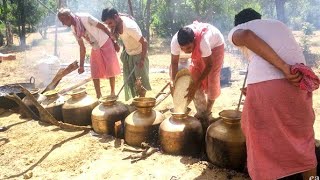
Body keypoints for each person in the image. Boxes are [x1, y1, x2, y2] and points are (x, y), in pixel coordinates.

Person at [228, 8, 318, 180]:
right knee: (301, 136)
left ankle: (268, 174)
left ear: (238, 23)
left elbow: (246, 35)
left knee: (257, 136)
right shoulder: (277, 24)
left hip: (275, 80)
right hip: (299, 81)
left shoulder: (240, 28)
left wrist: (283, 68)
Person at [58, 8, 121, 99]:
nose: (63, 24)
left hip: (105, 42)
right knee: (94, 71)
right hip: (95, 47)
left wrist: (114, 42)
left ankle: (112, 93)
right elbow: (82, 47)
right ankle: (99, 96)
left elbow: (103, 27)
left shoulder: (86, 18)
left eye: (63, 20)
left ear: (69, 17)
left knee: (110, 68)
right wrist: (82, 66)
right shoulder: (74, 29)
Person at [170, 21, 225, 126]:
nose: (186, 51)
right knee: (194, 75)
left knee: (212, 78)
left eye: (189, 48)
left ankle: (208, 112)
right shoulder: (175, 42)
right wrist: (174, 81)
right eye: (183, 49)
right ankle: (201, 112)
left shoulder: (203, 42)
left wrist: (197, 83)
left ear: (194, 41)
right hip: (202, 47)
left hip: (216, 45)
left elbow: (209, 65)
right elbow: (174, 62)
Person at [101, 8, 151, 101]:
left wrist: (142, 59)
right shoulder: (117, 22)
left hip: (139, 54)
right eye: (107, 24)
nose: (109, 26)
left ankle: (141, 103)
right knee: (131, 79)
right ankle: (137, 101)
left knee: (140, 82)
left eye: (110, 23)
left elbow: (144, 42)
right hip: (129, 53)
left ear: (116, 17)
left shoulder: (129, 27)